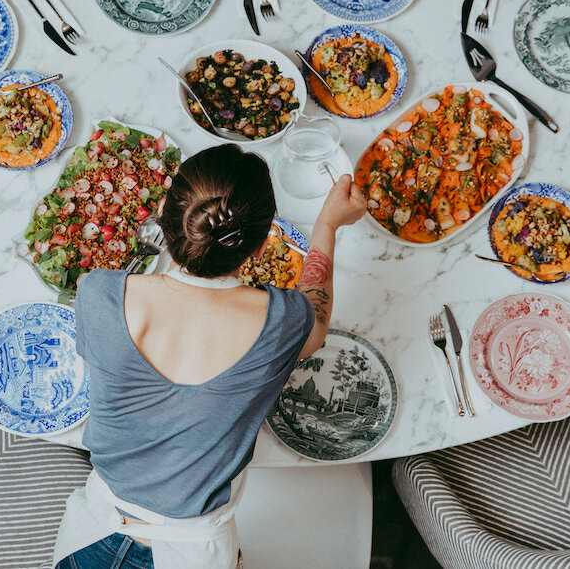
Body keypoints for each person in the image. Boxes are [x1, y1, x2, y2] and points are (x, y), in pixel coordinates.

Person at [53, 144, 367, 569]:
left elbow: (106, 374)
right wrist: (327, 224)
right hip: (194, 551)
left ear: (162, 214)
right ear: (261, 247)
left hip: (92, 535)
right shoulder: (283, 320)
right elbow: (317, 328)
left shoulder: (97, 292)